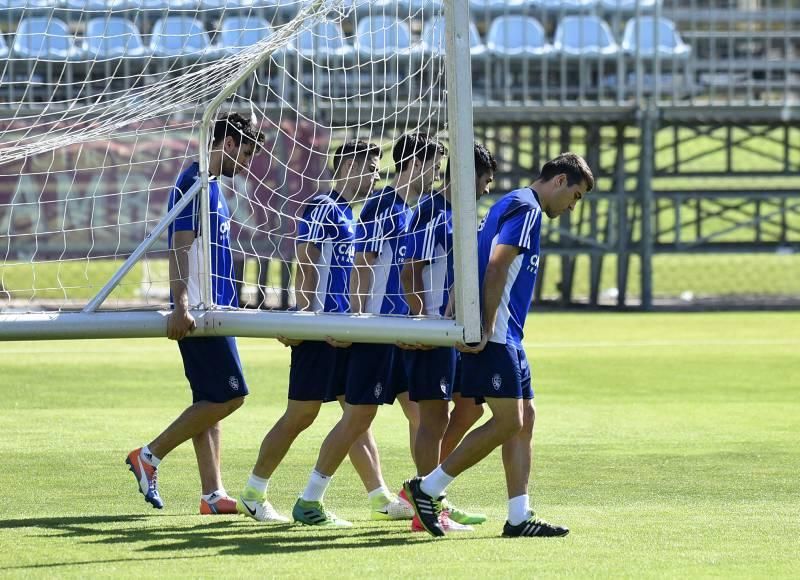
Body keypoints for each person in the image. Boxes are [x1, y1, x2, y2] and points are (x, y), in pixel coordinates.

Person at [403, 152, 594, 537]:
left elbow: (475, 261)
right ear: (559, 181)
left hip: (510, 336)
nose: (573, 206)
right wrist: (485, 327)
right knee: (509, 421)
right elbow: (495, 265)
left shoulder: (509, 204)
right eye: (575, 196)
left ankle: (519, 517)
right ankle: (427, 488)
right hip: (499, 335)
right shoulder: (526, 210)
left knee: (525, 420)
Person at [237, 140, 412, 525]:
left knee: (357, 415)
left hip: (340, 330)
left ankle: (379, 496)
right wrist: (305, 318)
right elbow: (305, 258)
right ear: (346, 165)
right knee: (300, 416)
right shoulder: (324, 207)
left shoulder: (349, 215)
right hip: (321, 331)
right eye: (369, 165)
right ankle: (253, 493)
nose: (375, 173)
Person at [291, 133, 445, 526]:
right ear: (415, 164)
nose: (437, 176)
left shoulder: (407, 210)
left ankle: (428, 500)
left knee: (420, 415)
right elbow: (362, 265)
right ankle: (309, 498)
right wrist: (359, 321)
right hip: (375, 332)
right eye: (434, 167)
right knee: (355, 418)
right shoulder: (381, 206)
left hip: (397, 332)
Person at [126, 113, 265, 515]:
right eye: (247, 152)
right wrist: (181, 303)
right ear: (229, 143)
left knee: (209, 399)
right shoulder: (194, 183)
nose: (247, 163)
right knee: (231, 396)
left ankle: (212, 493)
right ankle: (149, 455)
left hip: (215, 306)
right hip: (200, 310)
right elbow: (179, 243)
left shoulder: (214, 187)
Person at [398, 142, 497, 532]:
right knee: (434, 418)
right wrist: (420, 319)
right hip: (435, 330)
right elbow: (411, 268)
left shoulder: (463, 214)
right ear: (468, 174)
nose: (488, 188)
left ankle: (429, 489)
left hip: (458, 333)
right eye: (486, 180)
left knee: (471, 409)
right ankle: (428, 510)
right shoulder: (431, 213)